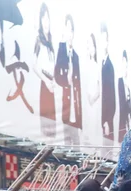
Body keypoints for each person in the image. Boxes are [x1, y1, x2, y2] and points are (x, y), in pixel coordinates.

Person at [55, 14, 82, 146]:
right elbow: (57, 76)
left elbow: (79, 89)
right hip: (64, 107)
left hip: (75, 112)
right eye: (67, 30)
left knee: (76, 143)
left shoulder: (76, 56)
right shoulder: (61, 51)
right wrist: (67, 79)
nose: (70, 34)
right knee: (65, 143)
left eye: (72, 30)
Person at [33, 2, 56, 139]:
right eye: (44, 18)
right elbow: (34, 64)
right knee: (46, 120)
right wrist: (46, 81)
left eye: (48, 18)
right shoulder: (39, 40)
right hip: (45, 83)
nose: (46, 22)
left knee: (53, 122)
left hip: (52, 84)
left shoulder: (51, 41)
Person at [100, 22, 116, 141]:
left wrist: (107, 120)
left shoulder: (109, 66)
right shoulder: (100, 63)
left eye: (104, 40)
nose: (102, 43)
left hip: (106, 123)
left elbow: (111, 97)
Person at [117, 50, 131, 141]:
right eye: (122, 62)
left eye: (125, 61)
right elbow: (121, 102)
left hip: (129, 121)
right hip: (122, 121)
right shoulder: (120, 81)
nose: (124, 64)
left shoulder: (129, 83)